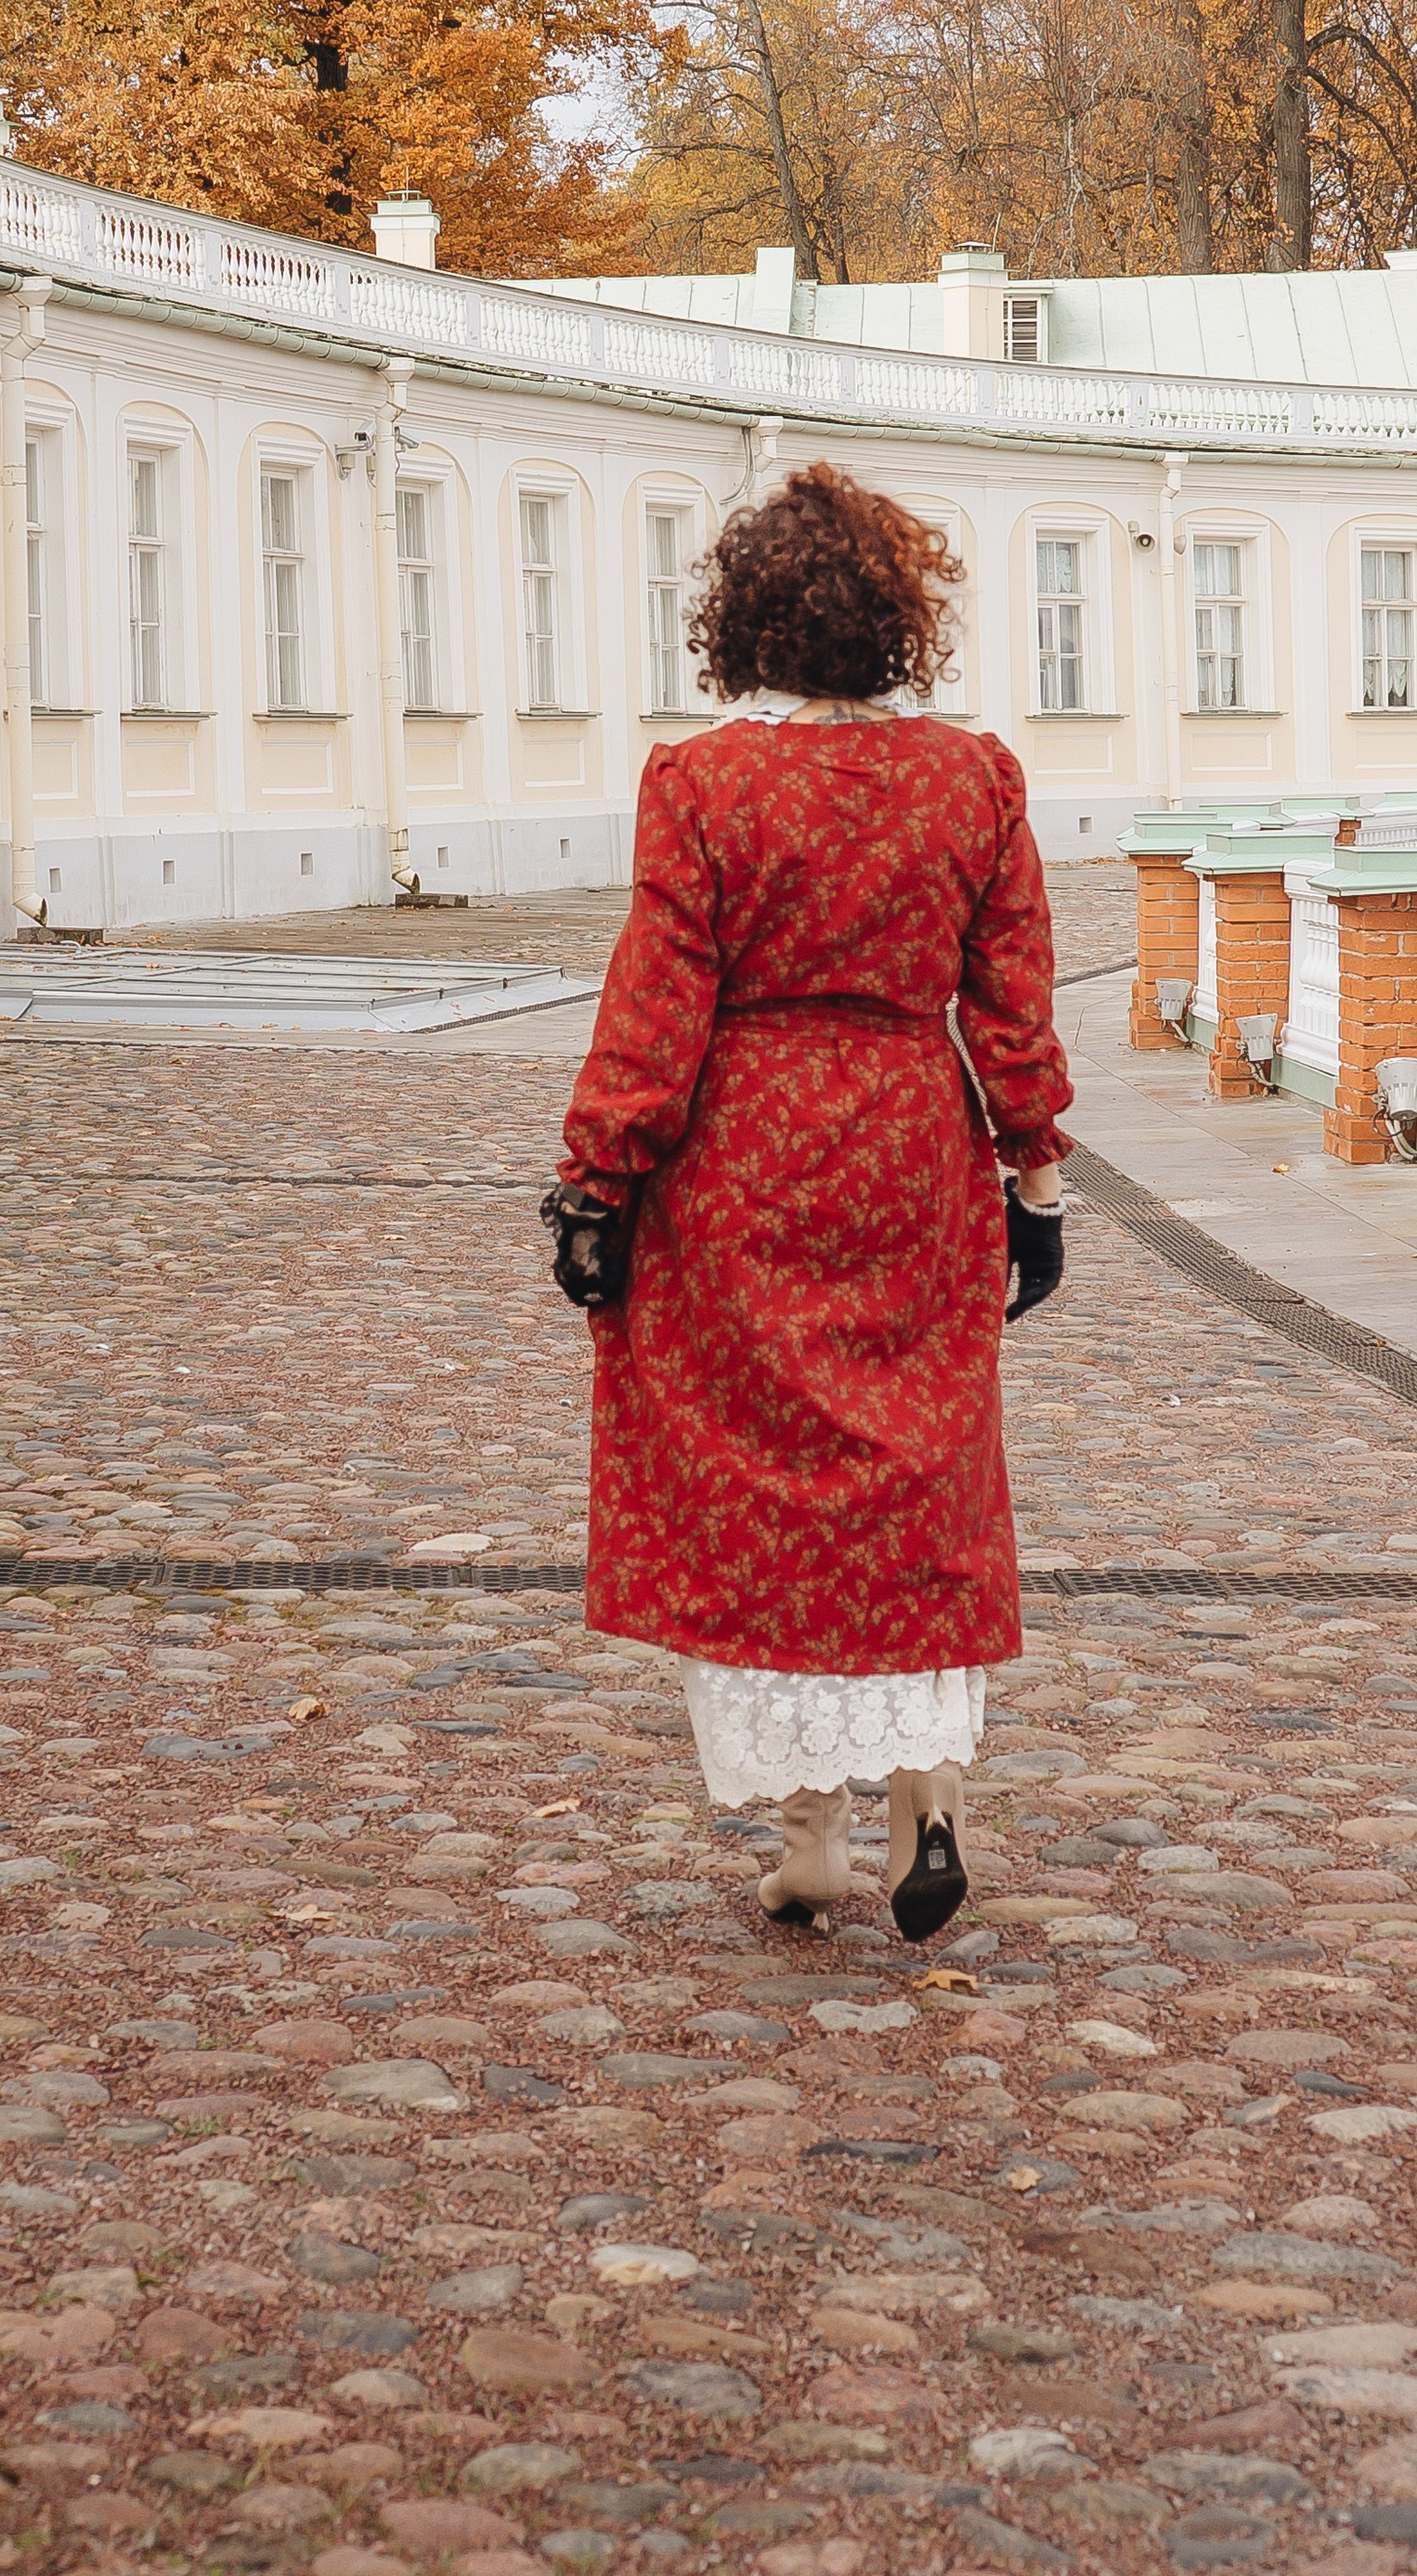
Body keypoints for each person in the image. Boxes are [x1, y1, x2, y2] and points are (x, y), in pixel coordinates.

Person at [541, 461, 1072, 1942]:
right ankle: (931, 1813)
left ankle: (810, 1845)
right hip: (916, 1143)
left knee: (761, 1485)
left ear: (744, 624)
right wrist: (1034, 1178)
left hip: (747, 1154)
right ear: (901, 624)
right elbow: (1012, 1004)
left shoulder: (704, 782)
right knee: (923, 1477)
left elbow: (656, 1008)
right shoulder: (975, 779)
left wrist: (597, 1175)